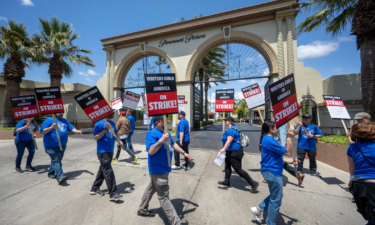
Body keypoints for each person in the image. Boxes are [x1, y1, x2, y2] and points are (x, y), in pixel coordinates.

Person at [138, 116, 192, 225]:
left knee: (152, 188)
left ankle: (142, 209)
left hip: (163, 169)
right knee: (164, 198)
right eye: (163, 120)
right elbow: (151, 151)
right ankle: (176, 223)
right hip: (158, 170)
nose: (166, 121)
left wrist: (184, 153)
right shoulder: (152, 134)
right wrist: (162, 140)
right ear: (157, 123)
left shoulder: (165, 132)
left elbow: (173, 144)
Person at [251, 121, 297, 225]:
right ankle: (270, 222)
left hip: (271, 170)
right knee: (276, 199)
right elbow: (288, 152)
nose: (277, 130)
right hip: (273, 172)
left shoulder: (267, 139)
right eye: (276, 128)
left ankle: (258, 209)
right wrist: (289, 138)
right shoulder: (269, 140)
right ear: (271, 129)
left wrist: (290, 161)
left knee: (275, 195)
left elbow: (274, 156)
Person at [218, 116, 259, 192]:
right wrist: (224, 134)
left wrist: (223, 148)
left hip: (235, 152)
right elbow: (229, 138)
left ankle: (253, 183)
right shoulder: (232, 129)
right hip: (230, 151)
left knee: (238, 169)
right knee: (227, 166)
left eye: (226, 120)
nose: (225, 122)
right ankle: (226, 181)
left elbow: (229, 140)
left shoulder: (231, 130)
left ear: (230, 121)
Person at [40, 112, 81, 184]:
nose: (62, 113)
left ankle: (50, 173)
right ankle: (60, 176)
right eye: (60, 112)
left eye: (63, 112)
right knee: (56, 160)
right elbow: (42, 131)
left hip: (62, 145)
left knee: (57, 160)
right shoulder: (48, 120)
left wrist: (77, 131)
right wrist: (52, 127)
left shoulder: (64, 120)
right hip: (51, 145)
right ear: (55, 112)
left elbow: (71, 127)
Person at [90, 113, 124, 201]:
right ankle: (113, 193)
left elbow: (115, 135)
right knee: (108, 171)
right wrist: (105, 129)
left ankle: (95, 188)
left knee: (103, 170)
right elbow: (96, 137)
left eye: (112, 113)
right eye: (110, 113)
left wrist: (119, 141)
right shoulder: (99, 123)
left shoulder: (112, 123)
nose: (112, 114)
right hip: (102, 151)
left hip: (110, 151)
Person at [347, 122, 375, 225]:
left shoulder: (352, 147)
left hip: (358, 184)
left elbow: (351, 166)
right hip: (372, 184)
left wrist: (351, 178)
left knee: (369, 214)